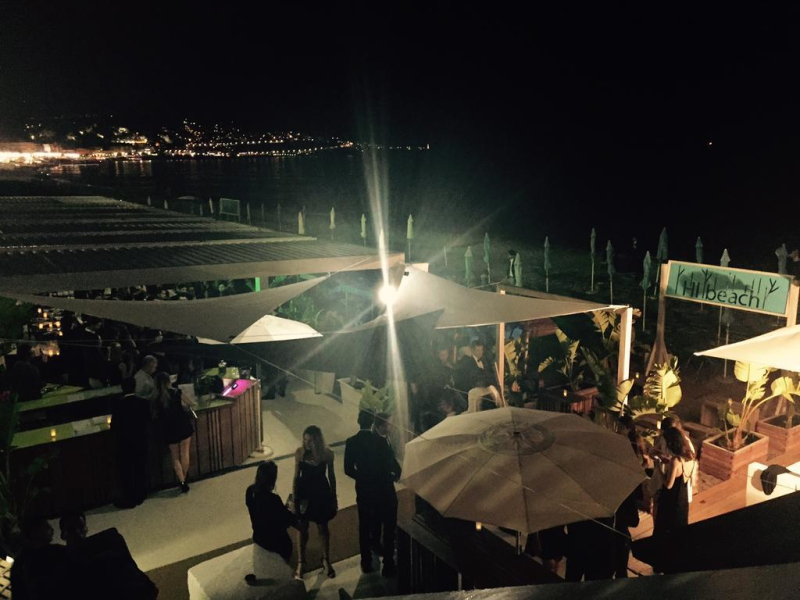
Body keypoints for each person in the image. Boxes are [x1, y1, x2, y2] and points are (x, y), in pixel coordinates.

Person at [293, 425, 337, 580]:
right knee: (302, 527)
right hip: (304, 494)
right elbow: (296, 477)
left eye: (310, 440)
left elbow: (332, 476)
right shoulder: (300, 453)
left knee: (323, 527)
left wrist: (333, 497)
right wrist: (295, 499)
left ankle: (325, 560)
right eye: (305, 440)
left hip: (321, 493)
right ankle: (301, 562)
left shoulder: (327, 454)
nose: (307, 443)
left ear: (317, 441)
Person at [246, 461, 298, 563]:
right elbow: (286, 519)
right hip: (275, 543)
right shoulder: (273, 499)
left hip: (258, 536)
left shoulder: (250, 491)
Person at [112, 377, 151, 508]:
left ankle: (129, 496)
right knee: (140, 467)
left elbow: (114, 426)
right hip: (141, 440)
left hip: (125, 442)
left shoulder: (118, 405)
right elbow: (148, 420)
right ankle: (141, 494)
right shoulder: (144, 403)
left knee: (127, 470)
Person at [371, 412, 402, 577]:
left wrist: (398, 471)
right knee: (389, 525)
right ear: (382, 426)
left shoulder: (382, 438)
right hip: (384, 491)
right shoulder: (377, 443)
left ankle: (377, 547)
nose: (392, 426)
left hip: (379, 491)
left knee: (379, 522)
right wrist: (392, 475)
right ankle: (388, 562)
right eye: (389, 423)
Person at [10, 515, 68, 599]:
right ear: (34, 532)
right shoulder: (58, 551)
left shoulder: (20, 561)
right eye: (46, 527)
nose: (52, 529)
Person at [155, 371, 194, 493]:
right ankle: (184, 479)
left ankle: (181, 481)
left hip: (169, 428)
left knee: (175, 456)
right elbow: (191, 403)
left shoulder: (158, 398)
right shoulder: (177, 392)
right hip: (183, 424)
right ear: (169, 381)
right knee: (185, 453)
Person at [455, 339, 505, 412]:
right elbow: (471, 377)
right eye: (478, 350)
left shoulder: (485, 361)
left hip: (484, 387)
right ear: (472, 351)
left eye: (481, 350)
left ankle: (501, 407)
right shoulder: (467, 362)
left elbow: (489, 375)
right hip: (472, 388)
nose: (480, 352)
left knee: (493, 389)